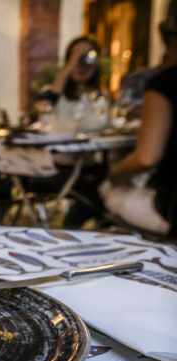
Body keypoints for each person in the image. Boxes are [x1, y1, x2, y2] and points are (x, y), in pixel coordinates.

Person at [102, 1, 177, 238]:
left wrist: (114, 174)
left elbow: (146, 158)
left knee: (107, 189)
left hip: (170, 210)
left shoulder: (165, 82)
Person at [31, 36, 110, 229]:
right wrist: (70, 65)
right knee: (97, 192)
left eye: (87, 57)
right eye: (76, 57)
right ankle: (74, 228)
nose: (82, 63)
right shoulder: (53, 93)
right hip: (58, 167)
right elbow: (44, 105)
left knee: (109, 183)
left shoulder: (101, 97)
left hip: (91, 165)